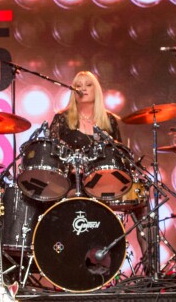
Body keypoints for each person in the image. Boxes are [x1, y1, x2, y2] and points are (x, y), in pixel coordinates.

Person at [49, 71, 148, 264]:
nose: (83, 88)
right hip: (74, 185)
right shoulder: (61, 119)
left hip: (106, 183)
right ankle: (69, 262)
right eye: (78, 85)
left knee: (143, 204)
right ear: (72, 90)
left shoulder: (109, 120)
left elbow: (118, 154)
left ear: (97, 90)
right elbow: (54, 155)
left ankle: (151, 269)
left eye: (88, 84)